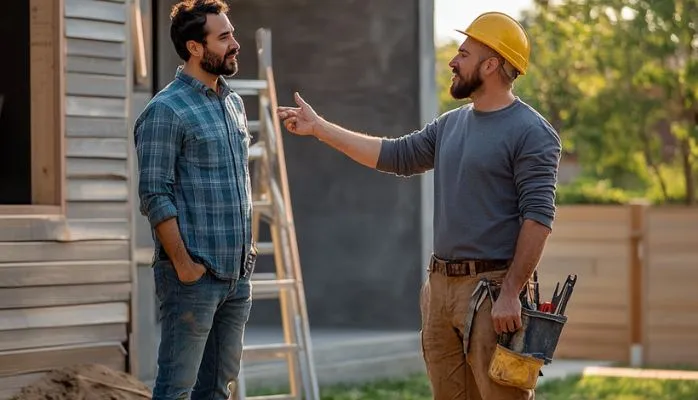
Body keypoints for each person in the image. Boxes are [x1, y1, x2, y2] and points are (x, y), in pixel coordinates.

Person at [277, 11, 561, 400]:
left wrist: (512, 291)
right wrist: (320, 128)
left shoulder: (532, 133)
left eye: (464, 53)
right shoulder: (450, 125)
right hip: (441, 288)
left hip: (492, 292)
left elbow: (539, 219)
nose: (453, 61)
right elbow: (395, 155)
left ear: (491, 64)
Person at [134, 1, 256, 399]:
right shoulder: (165, 111)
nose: (235, 44)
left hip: (235, 277)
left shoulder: (233, 103)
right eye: (224, 38)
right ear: (195, 48)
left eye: (232, 33)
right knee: (175, 390)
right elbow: (155, 194)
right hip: (192, 280)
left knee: (218, 389)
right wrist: (185, 266)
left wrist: (247, 252)